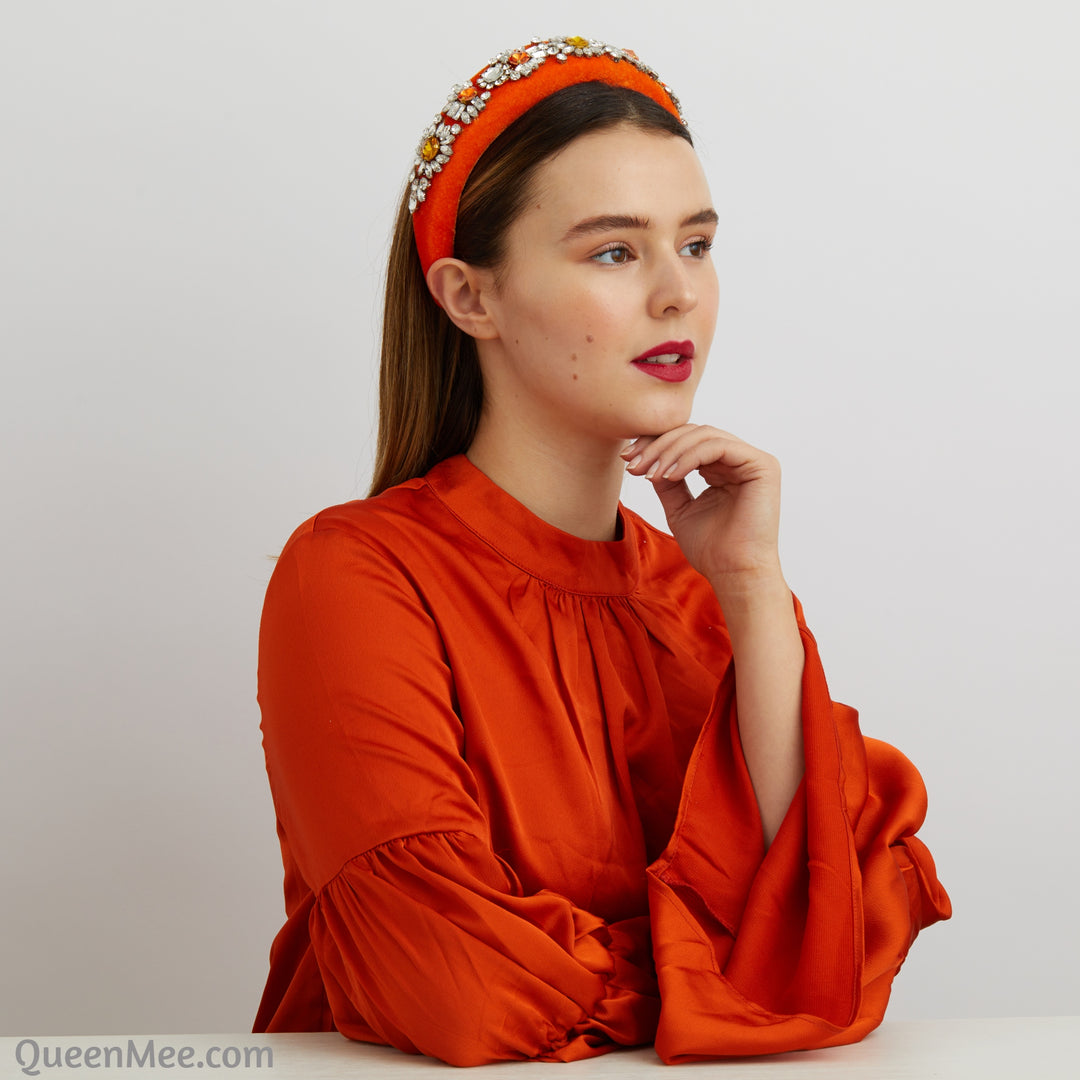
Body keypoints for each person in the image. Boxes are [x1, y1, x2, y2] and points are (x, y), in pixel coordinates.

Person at [252, 36, 951, 1066]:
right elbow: (456, 987)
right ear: (468, 298)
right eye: (615, 251)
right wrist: (728, 979)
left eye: (699, 244)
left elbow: (833, 936)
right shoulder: (354, 577)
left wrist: (754, 587)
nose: (678, 295)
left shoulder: (705, 592)